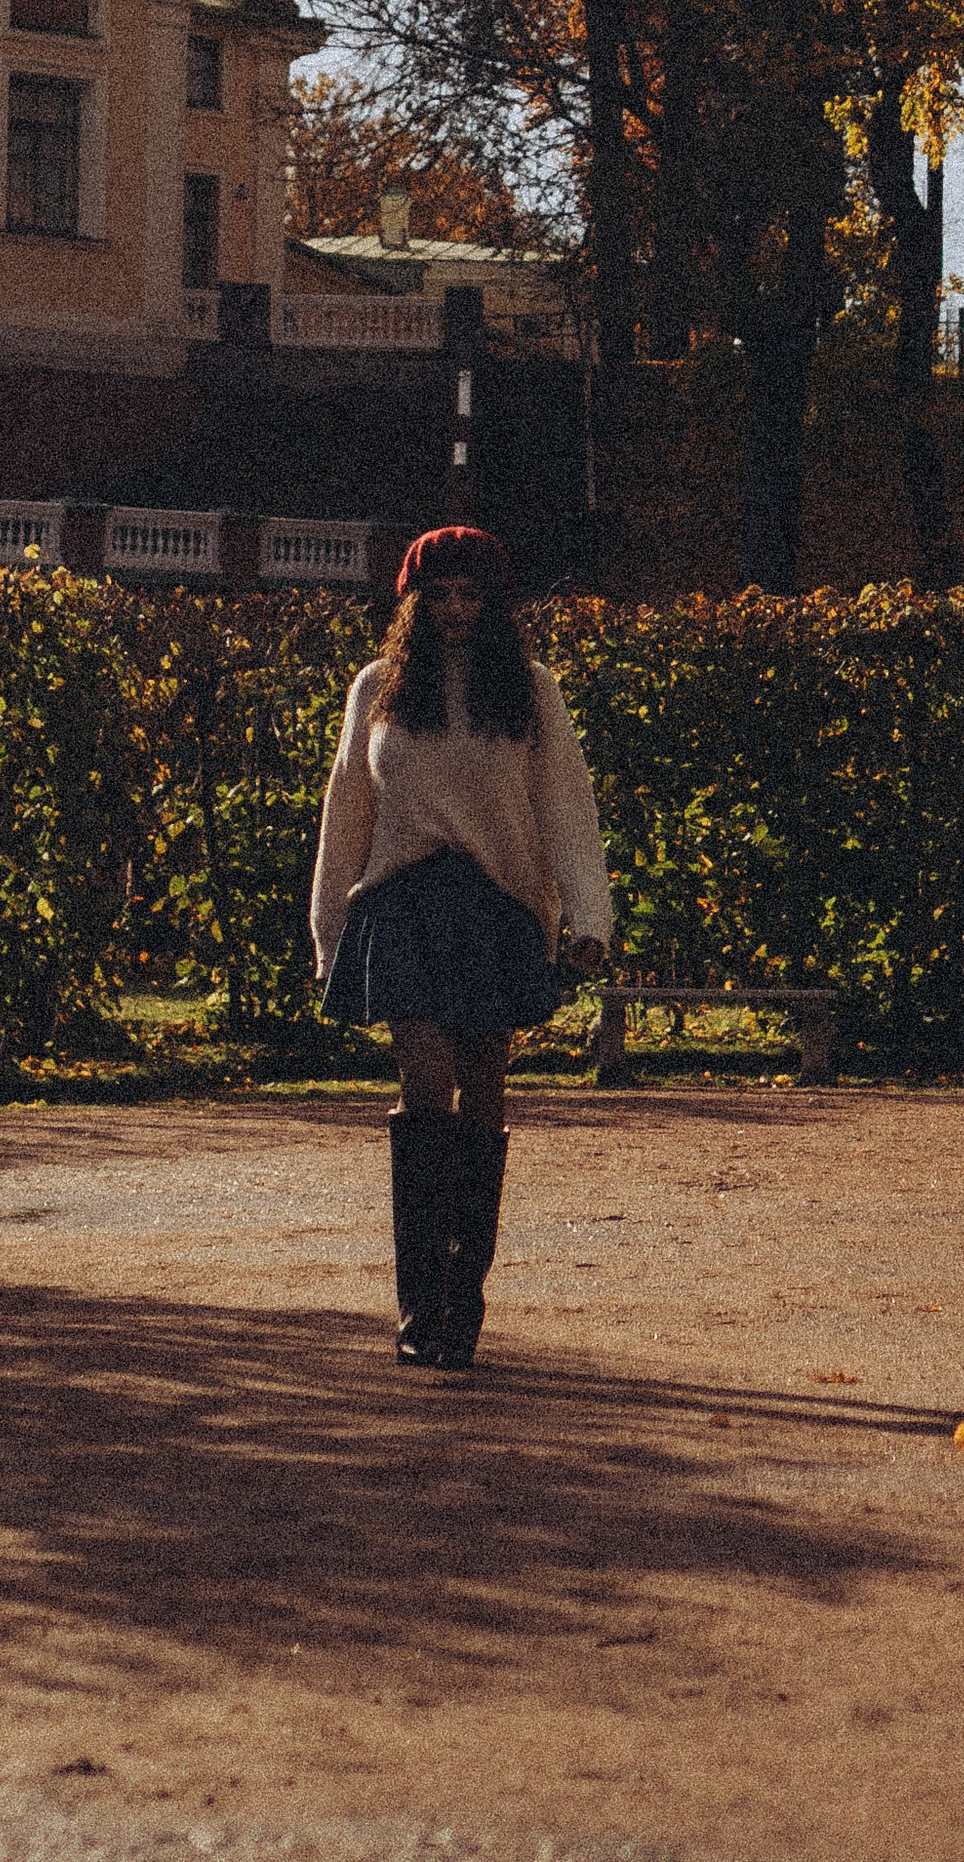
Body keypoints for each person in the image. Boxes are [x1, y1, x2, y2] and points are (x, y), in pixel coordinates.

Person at [311, 522, 613, 1373]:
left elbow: (565, 803)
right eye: (436, 594)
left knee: (484, 1085)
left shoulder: (530, 691)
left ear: (494, 603)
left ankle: (463, 1296)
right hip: (400, 903)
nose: (453, 608)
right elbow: (346, 816)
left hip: (497, 906)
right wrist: (328, 933)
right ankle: (421, 1303)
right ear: (411, 601)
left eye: (470, 594)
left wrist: (589, 917)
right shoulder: (377, 687)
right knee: (427, 1077)